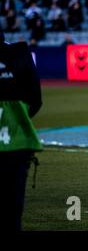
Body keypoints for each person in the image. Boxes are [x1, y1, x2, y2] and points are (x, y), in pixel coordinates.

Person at [0, 27, 42, 230]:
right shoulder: (20, 54)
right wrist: (14, 122)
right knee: (12, 212)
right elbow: (35, 100)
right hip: (17, 143)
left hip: (16, 146)